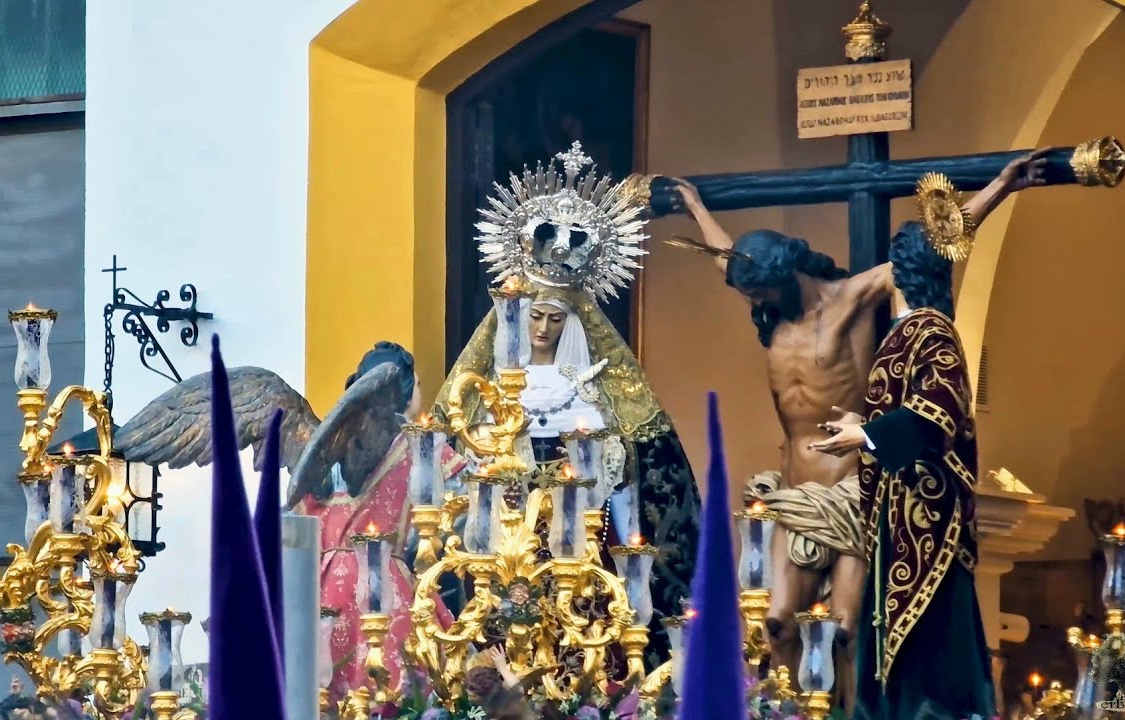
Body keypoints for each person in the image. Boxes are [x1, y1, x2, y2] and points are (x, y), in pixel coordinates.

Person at [668, 150, 1047, 698]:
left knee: (847, 634)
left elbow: (932, 250)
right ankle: (792, 711)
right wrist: (695, 206)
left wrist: (1000, 189)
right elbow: (726, 259)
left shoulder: (850, 301)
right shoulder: (772, 313)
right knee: (777, 622)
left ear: (786, 275)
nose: (754, 303)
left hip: (851, 489)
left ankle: (846, 713)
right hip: (796, 490)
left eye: (760, 292)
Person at [437, 141, 701, 668]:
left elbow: (635, 469)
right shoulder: (487, 388)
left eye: (556, 320)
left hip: (580, 545)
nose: (541, 328)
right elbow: (456, 458)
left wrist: (603, 455)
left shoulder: (594, 385)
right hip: (505, 542)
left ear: (573, 324)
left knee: (582, 639)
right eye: (534, 316)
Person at [808, 218, 994, 719]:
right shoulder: (907, 331)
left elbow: (939, 411)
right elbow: (903, 407)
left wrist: (868, 434)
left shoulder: (932, 330)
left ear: (902, 270)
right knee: (887, 633)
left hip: (926, 519)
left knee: (930, 640)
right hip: (897, 518)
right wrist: (862, 423)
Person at [290, 342, 468, 699]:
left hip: (319, 590)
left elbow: (294, 516)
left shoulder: (322, 445)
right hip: (385, 583)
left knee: (319, 693)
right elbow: (457, 516)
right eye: (417, 385)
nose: (421, 392)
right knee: (400, 690)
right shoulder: (421, 446)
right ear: (400, 391)